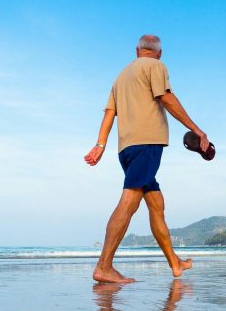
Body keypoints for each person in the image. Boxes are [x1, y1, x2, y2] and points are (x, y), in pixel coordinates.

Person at [84, 34, 210, 284]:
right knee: (129, 201)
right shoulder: (157, 66)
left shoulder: (121, 77)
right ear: (159, 53)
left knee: (156, 204)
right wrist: (197, 130)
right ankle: (104, 266)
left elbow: (110, 114)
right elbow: (166, 98)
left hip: (126, 149)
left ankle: (174, 262)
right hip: (147, 144)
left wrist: (100, 144)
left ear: (137, 50)